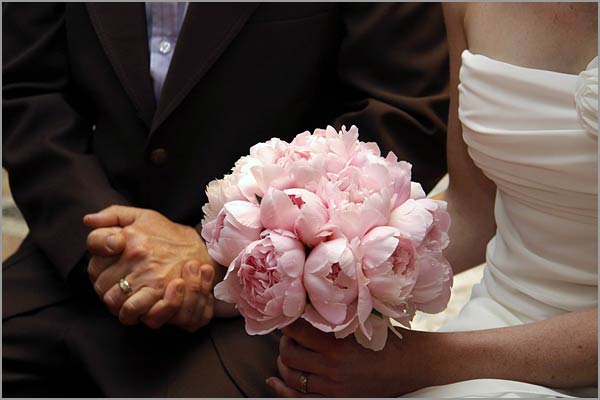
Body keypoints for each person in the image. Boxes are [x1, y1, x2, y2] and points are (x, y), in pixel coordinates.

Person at [2, 3, 449, 397]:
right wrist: (110, 244)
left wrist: (229, 252)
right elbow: (27, 93)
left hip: (279, 296)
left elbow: (404, 116)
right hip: (85, 252)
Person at [268, 3, 598, 398]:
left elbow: (427, 363)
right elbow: (473, 211)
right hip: (498, 319)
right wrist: (315, 264)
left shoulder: (436, 359)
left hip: (492, 356)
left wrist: (424, 363)